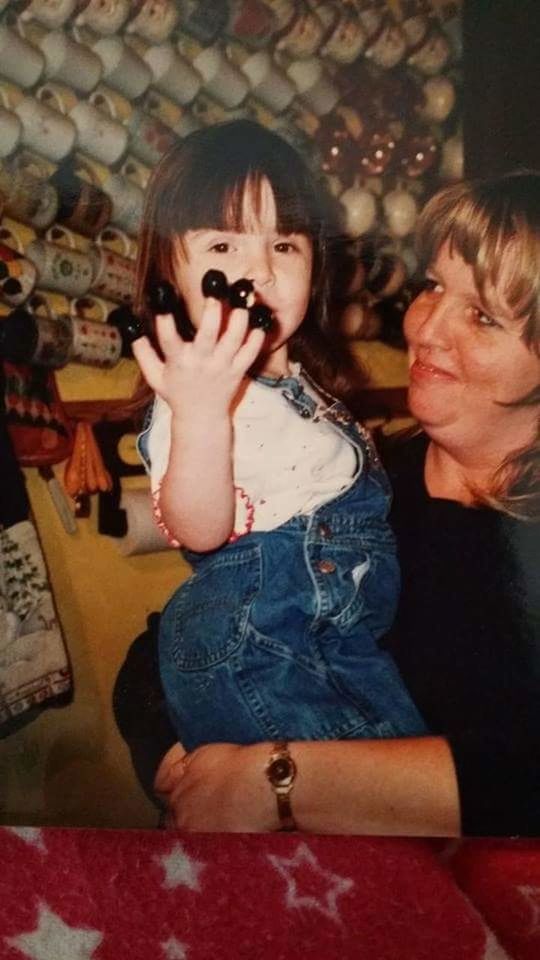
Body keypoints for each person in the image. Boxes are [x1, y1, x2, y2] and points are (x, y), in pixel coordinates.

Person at [116, 168, 540, 838]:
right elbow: (160, 651)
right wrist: (190, 772)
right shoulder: (351, 475)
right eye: (434, 285)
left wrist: (278, 785)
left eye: (483, 315)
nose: (424, 328)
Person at [129, 119, 425, 758]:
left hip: (331, 637)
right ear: (168, 270)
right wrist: (202, 415)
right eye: (224, 247)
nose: (258, 271)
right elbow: (199, 530)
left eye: (284, 246)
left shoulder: (297, 384)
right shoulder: (196, 392)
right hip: (265, 646)